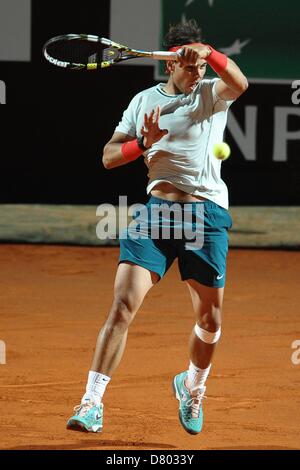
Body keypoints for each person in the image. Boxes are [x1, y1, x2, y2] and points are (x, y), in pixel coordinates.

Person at [67, 19, 248, 435]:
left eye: (201, 66)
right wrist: (142, 144)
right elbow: (109, 157)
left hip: (205, 216)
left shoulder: (212, 94)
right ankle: (91, 402)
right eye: (189, 65)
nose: (197, 72)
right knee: (121, 307)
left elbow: (238, 82)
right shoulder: (143, 101)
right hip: (155, 215)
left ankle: (192, 386)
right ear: (170, 65)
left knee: (211, 320)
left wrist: (210, 54)